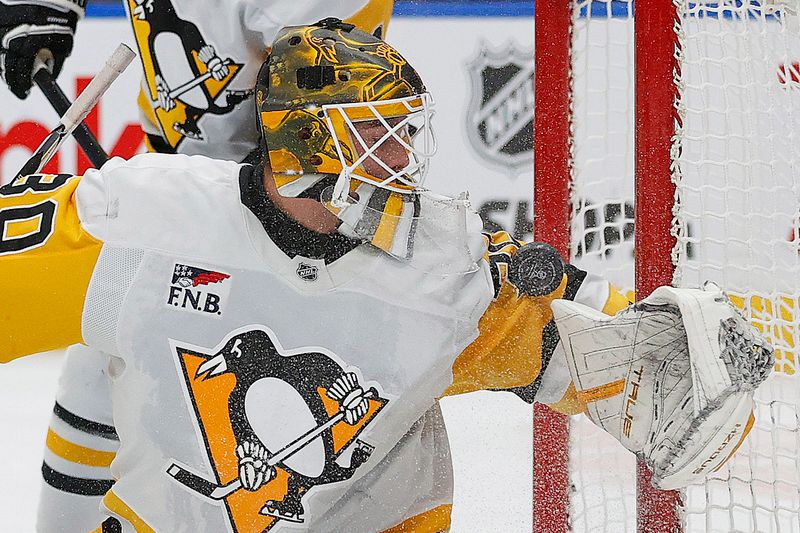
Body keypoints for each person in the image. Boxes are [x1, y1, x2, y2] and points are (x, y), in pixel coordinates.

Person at [0, 20, 773, 532]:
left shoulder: (442, 271)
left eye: (404, 134)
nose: (403, 158)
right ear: (301, 143)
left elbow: (590, 368)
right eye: (376, 134)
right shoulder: (145, 222)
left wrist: (665, 369)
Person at [0, 1, 392, 529]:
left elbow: (326, 105)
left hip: (285, 199)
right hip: (181, 169)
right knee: (98, 368)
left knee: (168, 385)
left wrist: (261, 214)